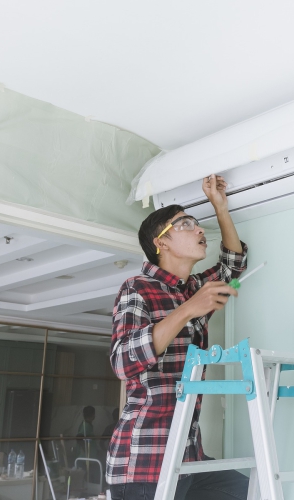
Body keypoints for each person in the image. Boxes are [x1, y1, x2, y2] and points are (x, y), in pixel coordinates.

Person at [107, 175, 249, 500]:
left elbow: (234, 264)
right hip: (144, 463)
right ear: (162, 242)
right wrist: (188, 310)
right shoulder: (137, 288)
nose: (200, 230)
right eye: (186, 224)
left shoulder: (194, 290)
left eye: (198, 224)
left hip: (188, 456)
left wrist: (220, 207)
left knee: (251, 490)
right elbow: (123, 360)